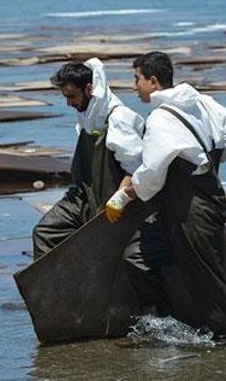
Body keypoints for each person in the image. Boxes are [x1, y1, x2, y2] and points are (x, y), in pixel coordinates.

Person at [105, 51, 226, 338]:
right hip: (205, 195)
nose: (134, 86)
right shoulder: (200, 102)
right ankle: (167, 323)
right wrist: (209, 158)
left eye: (137, 79)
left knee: (206, 274)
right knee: (139, 255)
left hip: (191, 205)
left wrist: (123, 196)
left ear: (153, 81)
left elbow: (151, 174)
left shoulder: (160, 119)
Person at [32, 58, 144, 260]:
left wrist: (120, 198)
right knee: (45, 232)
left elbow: (136, 166)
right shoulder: (87, 114)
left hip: (114, 199)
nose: (69, 103)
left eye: (72, 96)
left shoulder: (118, 118)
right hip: (83, 196)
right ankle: (55, 290)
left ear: (89, 88)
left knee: (112, 254)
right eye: (65, 97)